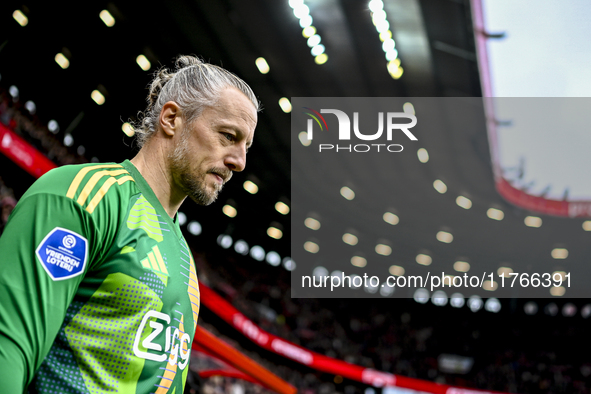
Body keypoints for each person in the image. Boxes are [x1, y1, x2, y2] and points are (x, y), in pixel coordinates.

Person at [0, 55, 259, 393]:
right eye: (228, 136)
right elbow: (9, 350)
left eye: (247, 146)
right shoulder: (84, 198)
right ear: (171, 119)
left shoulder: (185, 260)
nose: (239, 162)